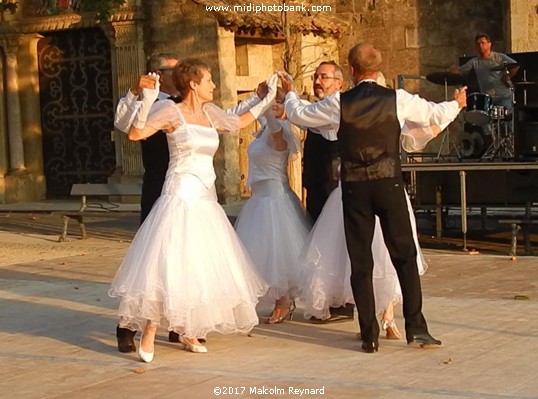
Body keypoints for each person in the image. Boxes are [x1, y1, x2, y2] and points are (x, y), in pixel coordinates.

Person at [281, 43, 467, 353]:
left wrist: (289, 91)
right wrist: (457, 104)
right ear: (378, 70)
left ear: (351, 71)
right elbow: (434, 112)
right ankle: (417, 327)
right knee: (404, 257)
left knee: (361, 261)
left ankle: (369, 335)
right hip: (389, 185)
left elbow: (299, 113)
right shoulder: (398, 98)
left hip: (355, 189)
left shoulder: (340, 102)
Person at [109, 58, 277, 362]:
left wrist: (266, 98)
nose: (214, 84)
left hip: (205, 197)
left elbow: (237, 121)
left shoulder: (211, 112)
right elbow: (134, 134)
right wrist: (144, 99)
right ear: (194, 84)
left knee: (198, 262)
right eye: (209, 80)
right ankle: (150, 327)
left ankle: (189, 328)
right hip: (178, 193)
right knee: (169, 261)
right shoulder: (169, 110)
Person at [300, 124, 446, 340]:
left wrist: (450, 112)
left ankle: (383, 317)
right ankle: (379, 320)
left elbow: (417, 133)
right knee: (364, 259)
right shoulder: (376, 108)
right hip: (366, 191)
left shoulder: (352, 108)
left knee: (378, 256)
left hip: (367, 191)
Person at [234, 88, 312, 324]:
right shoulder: (263, 130)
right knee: (256, 253)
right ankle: (266, 300)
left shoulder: (282, 131)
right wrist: (259, 101)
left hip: (275, 199)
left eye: (276, 102)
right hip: (258, 199)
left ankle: (283, 301)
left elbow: (277, 140)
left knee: (279, 252)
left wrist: (270, 112)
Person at [301, 61, 355, 323]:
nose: (317, 81)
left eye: (324, 76)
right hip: (318, 184)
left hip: (333, 185)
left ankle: (341, 302)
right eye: (315, 76)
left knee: (333, 245)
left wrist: (288, 101)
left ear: (339, 83)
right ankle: (328, 299)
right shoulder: (316, 109)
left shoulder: (336, 109)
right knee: (320, 245)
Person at [451, 33, 519, 113]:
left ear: (489, 44)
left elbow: (515, 66)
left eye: (483, 43)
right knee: (487, 122)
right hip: (488, 98)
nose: (480, 45)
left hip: (503, 96)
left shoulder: (499, 57)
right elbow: (461, 70)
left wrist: (508, 76)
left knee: (506, 121)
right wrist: (451, 71)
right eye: (478, 44)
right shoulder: (474, 62)